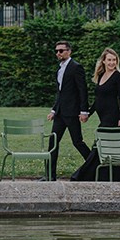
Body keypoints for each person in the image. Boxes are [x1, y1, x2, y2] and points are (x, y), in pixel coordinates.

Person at [71, 47, 120, 182]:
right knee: (111, 147)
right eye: (109, 60)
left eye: (114, 60)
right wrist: (89, 113)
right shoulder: (100, 76)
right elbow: (98, 100)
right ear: (104, 62)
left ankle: (86, 174)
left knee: (101, 144)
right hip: (102, 114)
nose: (112, 63)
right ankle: (109, 175)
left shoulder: (118, 76)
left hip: (112, 116)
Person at [47, 40, 91, 180]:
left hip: (72, 113)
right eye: (56, 51)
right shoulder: (59, 69)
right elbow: (60, 93)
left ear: (69, 51)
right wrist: (54, 110)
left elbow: (82, 90)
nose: (58, 53)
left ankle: (95, 166)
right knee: (53, 143)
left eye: (61, 50)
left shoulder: (76, 67)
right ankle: (50, 175)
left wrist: (84, 111)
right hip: (60, 113)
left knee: (77, 142)